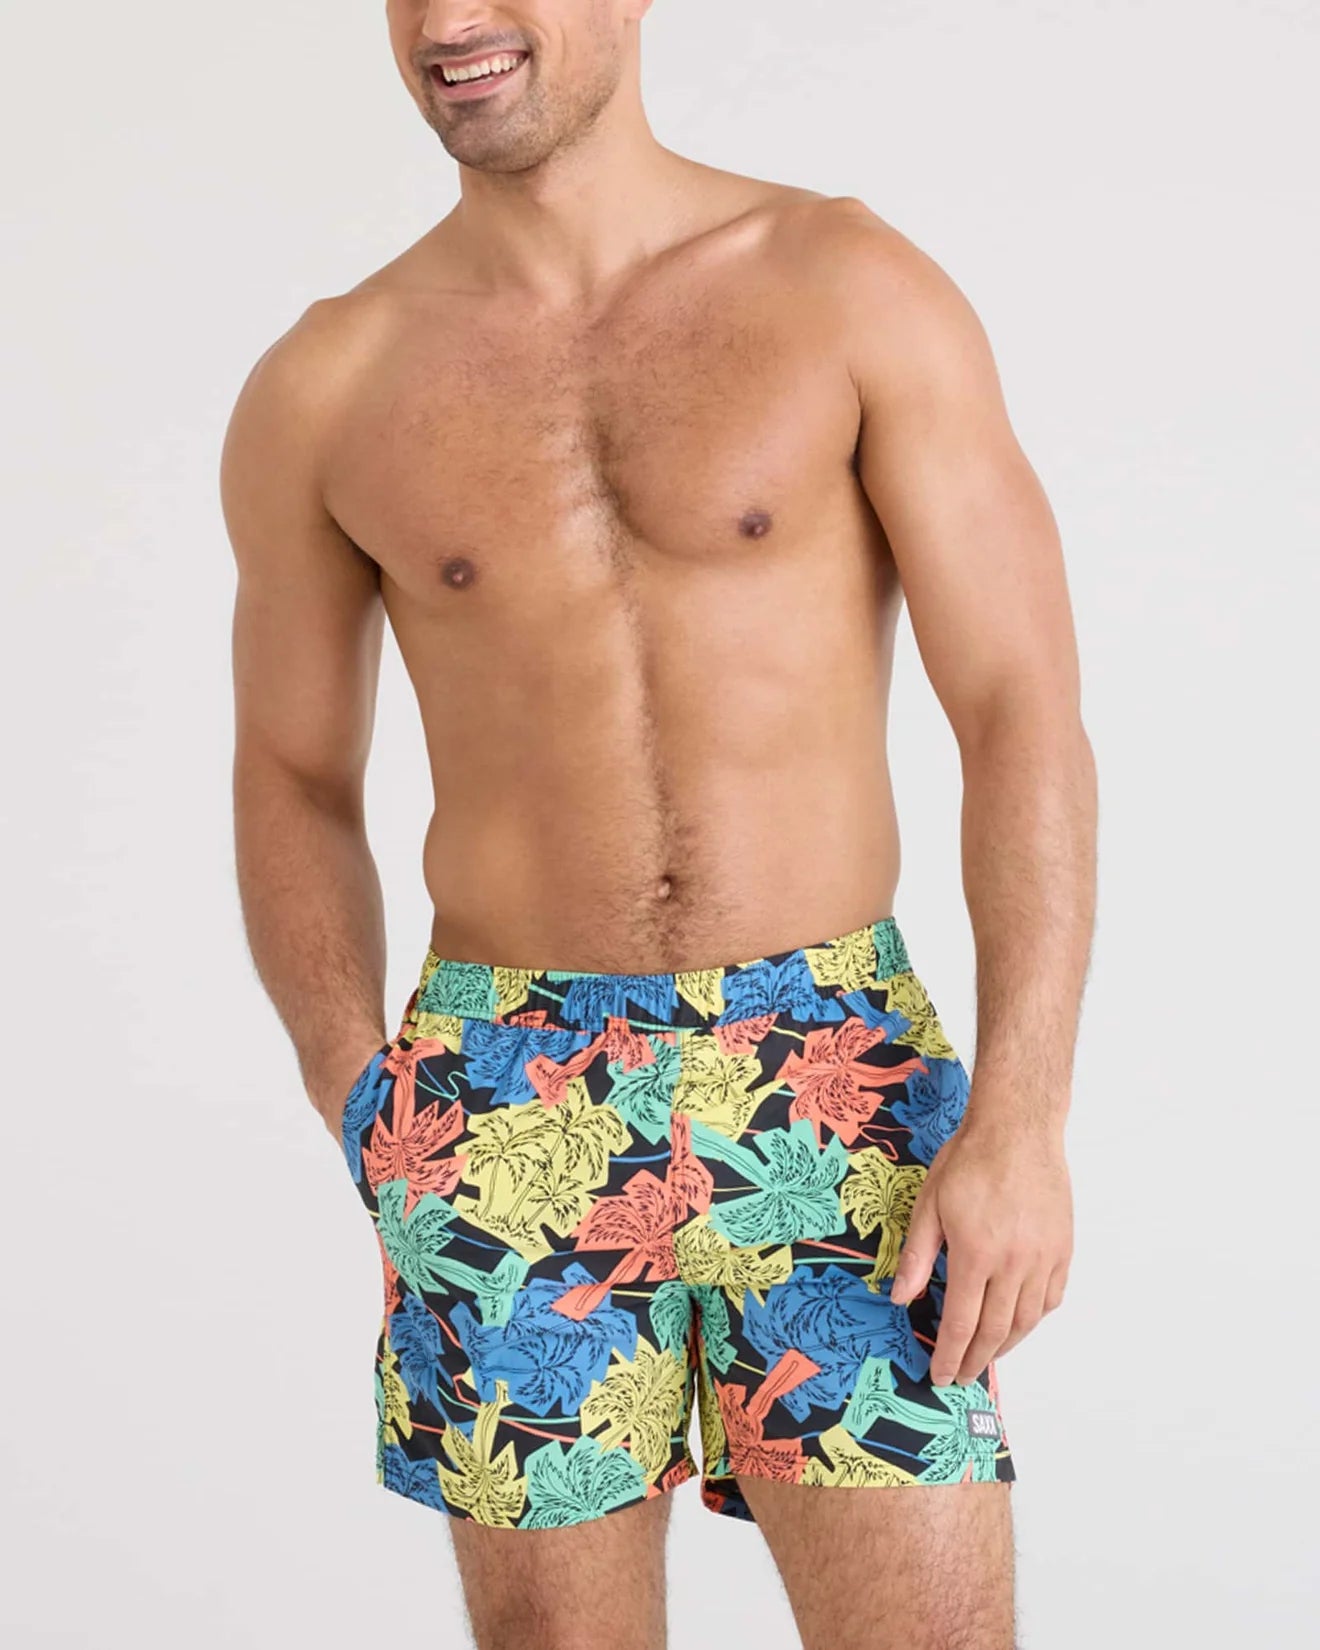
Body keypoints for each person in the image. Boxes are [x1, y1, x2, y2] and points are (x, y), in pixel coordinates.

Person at [220, 4, 1095, 1647]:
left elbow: (1020, 709)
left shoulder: (844, 286)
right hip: (499, 1087)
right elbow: (291, 770)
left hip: (830, 1076)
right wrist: (361, 1095)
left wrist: (1025, 1116)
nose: (448, 20)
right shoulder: (328, 382)